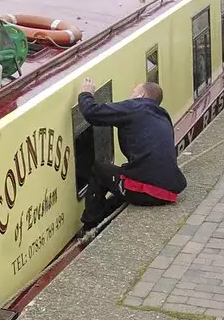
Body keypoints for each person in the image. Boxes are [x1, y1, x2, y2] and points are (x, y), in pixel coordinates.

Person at [76, 78, 186, 227]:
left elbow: (92, 113)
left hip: (148, 188)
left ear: (141, 95)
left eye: (133, 91)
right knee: (117, 194)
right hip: (169, 189)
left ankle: (89, 225)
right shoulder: (163, 115)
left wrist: (86, 94)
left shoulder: (135, 107)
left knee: (99, 170)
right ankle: (101, 222)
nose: (130, 95)